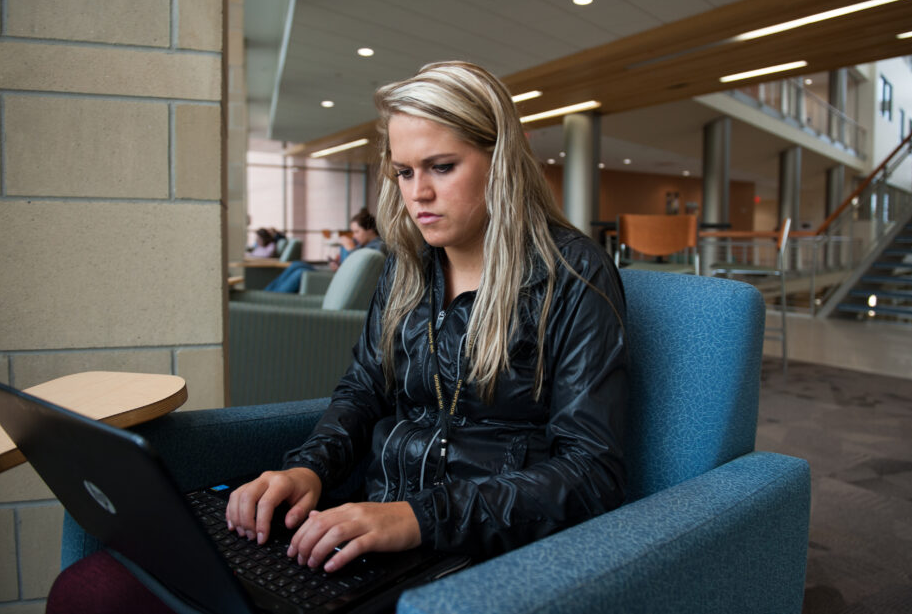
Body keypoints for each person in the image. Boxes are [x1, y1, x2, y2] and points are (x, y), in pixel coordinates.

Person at [46, 61, 628, 611]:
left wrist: (417, 518)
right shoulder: (408, 265)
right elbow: (364, 391)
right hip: (371, 531)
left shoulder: (572, 275)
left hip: (477, 554)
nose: (416, 193)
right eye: (404, 172)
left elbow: (590, 470)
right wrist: (309, 470)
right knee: (95, 592)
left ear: (502, 161)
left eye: (441, 167)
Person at [263, 210, 386, 293]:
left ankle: (271, 296)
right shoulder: (365, 244)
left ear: (370, 230)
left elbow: (362, 269)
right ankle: (267, 293)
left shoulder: (378, 247)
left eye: (357, 231)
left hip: (343, 282)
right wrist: (338, 265)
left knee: (300, 272)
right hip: (339, 274)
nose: (354, 236)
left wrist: (350, 248)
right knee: (296, 264)